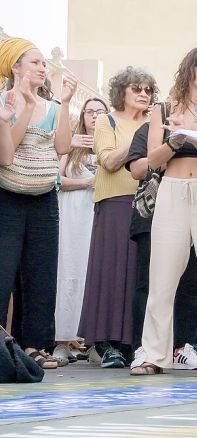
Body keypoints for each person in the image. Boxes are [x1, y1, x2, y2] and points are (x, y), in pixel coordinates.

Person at [128, 45, 197, 376]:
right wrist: (175, 140)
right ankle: (153, 354)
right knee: (161, 278)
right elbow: (152, 160)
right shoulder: (163, 110)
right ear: (190, 68)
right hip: (173, 191)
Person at [0, 37, 76, 370]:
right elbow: (6, 155)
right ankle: (3, 344)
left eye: (44, 63)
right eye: (35, 62)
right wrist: (25, 107)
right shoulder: (4, 103)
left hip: (44, 198)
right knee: (4, 272)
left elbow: (62, 147)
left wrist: (66, 103)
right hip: (8, 197)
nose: (43, 68)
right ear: (15, 66)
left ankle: (34, 346)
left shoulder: (56, 108)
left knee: (41, 273)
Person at [78, 67, 156, 369]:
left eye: (148, 90)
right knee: (110, 273)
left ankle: (131, 343)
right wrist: (140, 136)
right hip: (113, 203)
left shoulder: (154, 124)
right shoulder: (105, 121)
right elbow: (109, 161)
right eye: (136, 88)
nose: (143, 94)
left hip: (146, 205)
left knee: (137, 276)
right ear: (121, 91)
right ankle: (106, 343)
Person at [124, 96, 197, 372]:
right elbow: (137, 169)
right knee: (149, 284)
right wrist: (171, 143)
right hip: (154, 213)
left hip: (194, 210)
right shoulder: (148, 130)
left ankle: (182, 347)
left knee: (190, 283)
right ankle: (143, 348)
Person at [52, 97, 108, 365]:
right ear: (83, 116)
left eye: (100, 111)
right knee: (69, 273)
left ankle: (93, 342)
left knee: (94, 276)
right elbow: (56, 180)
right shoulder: (71, 144)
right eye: (90, 112)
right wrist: (87, 182)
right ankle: (62, 341)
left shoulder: (111, 143)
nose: (95, 116)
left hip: (100, 217)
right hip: (74, 215)